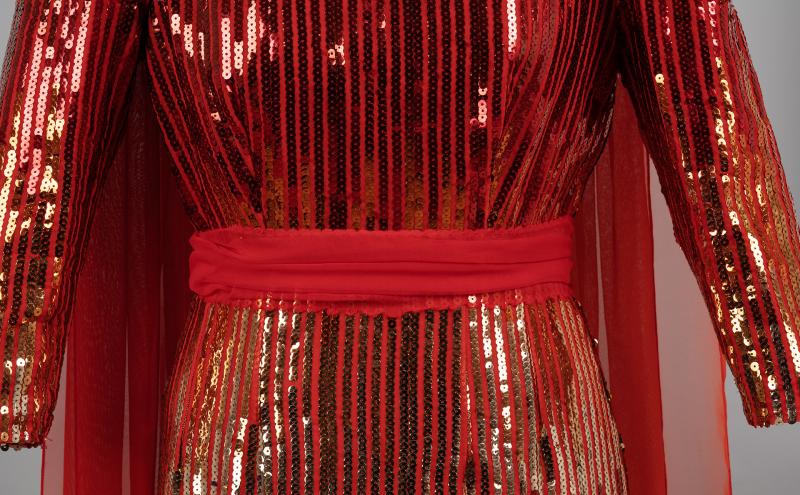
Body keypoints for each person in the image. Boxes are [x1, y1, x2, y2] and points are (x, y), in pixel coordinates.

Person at [0, 1, 798, 493]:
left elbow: (707, 110)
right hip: (463, 408)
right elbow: (46, 130)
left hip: (486, 421)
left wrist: (780, 343)